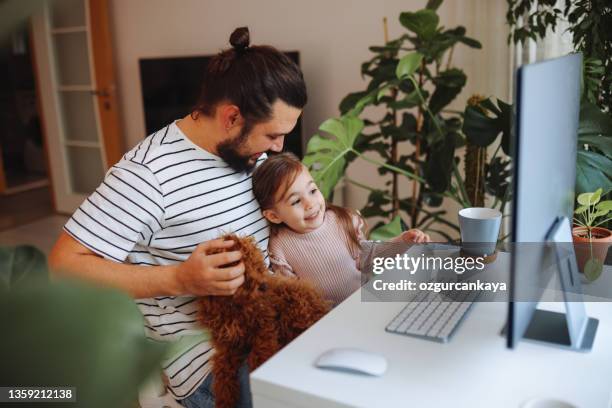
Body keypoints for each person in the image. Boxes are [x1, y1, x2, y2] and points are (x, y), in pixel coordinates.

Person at [48, 27, 306, 407]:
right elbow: (64, 267)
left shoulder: (250, 155)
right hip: (209, 360)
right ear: (232, 117)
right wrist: (179, 278)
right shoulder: (146, 175)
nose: (279, 148)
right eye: (272, 136)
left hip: (267, 319)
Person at [252, 152, 430, 305]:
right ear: (274, 216)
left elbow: (370, 258)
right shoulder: (280, 246)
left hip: (365, 303)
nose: (310, 204)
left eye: (313, 191)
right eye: (296, 201)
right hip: (325, 322)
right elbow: (292, 296)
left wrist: (403, 242)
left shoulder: (341, 221)